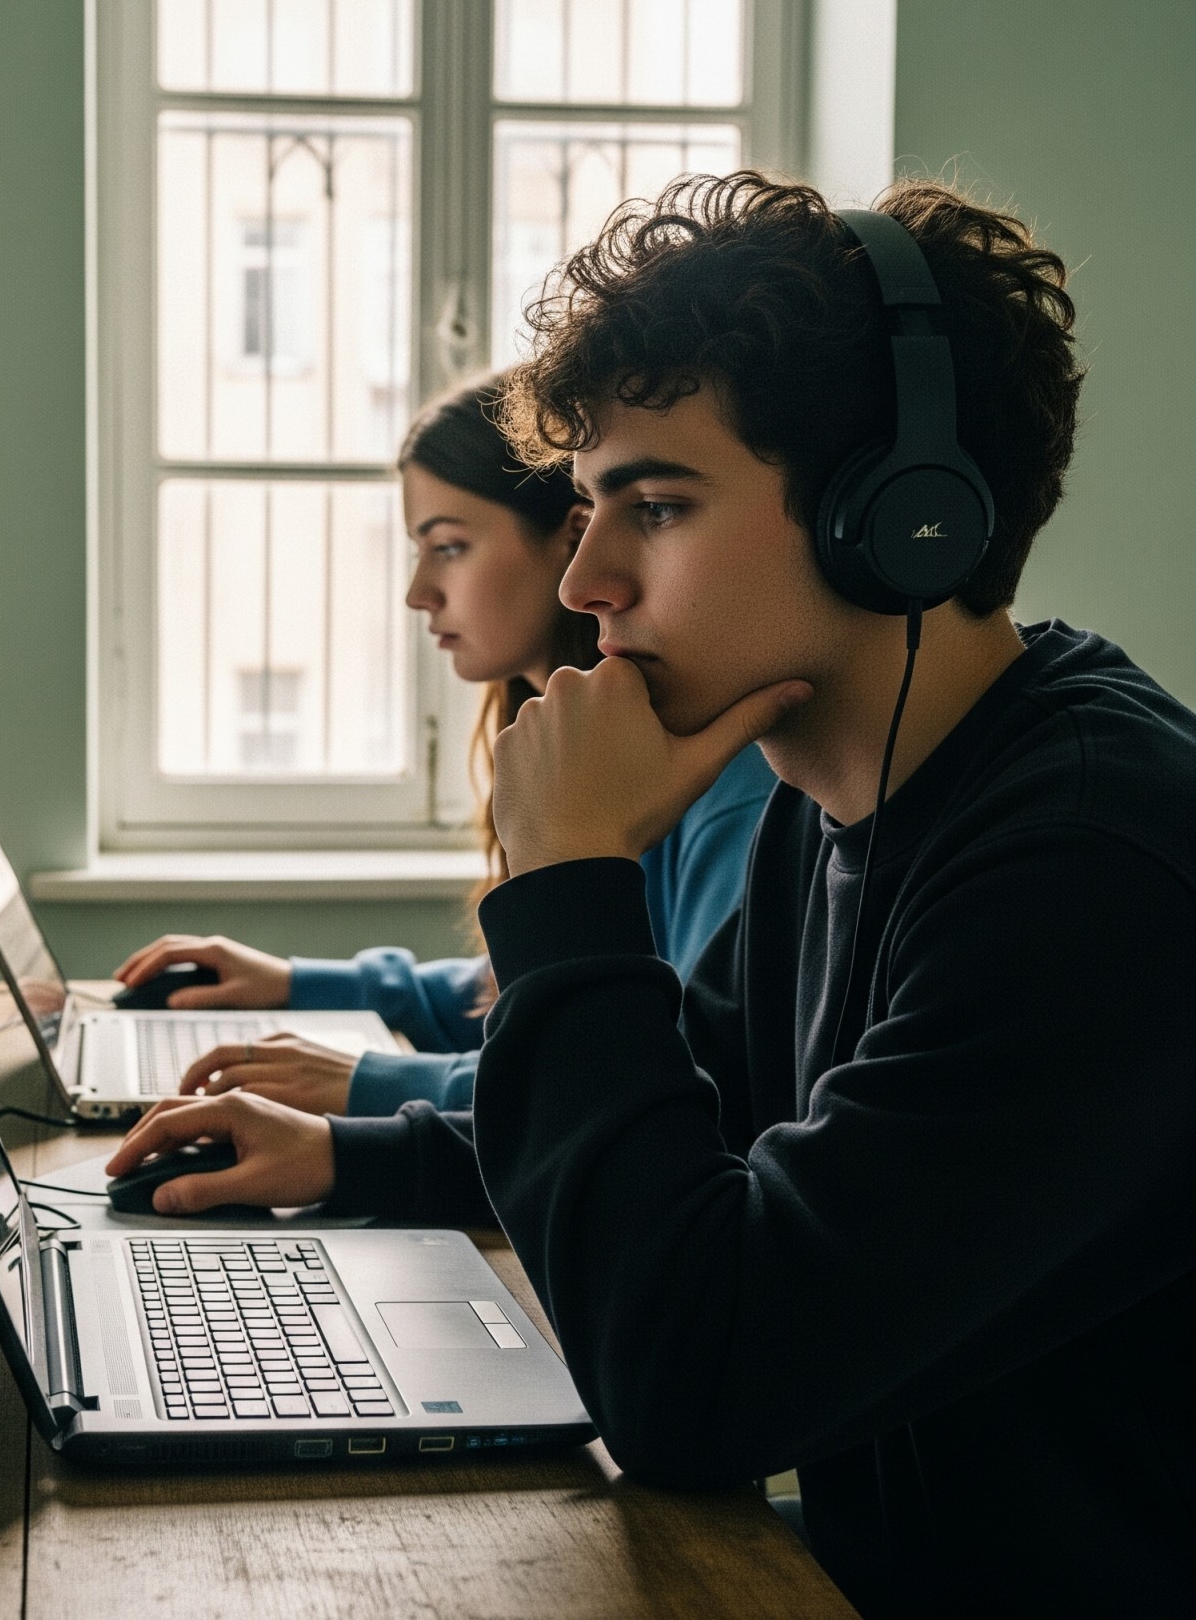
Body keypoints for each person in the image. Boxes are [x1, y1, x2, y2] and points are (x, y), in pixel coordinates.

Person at [108, 173, 1196, 1615]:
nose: (594, 578)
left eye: (656, 506)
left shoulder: (1085, 864)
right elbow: (700, 1112)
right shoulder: (831, 797)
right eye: (582, 511)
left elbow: (692, 1386)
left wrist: (571, 878)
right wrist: (359, 1157)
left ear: (900, 517)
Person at [114, 374, 773, 1118]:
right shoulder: (570, 742)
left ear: (570, 534)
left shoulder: (731, 790)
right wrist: (300, 984)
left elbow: (658, 1076)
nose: (418, 591)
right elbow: (522, 994)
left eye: (450, 546)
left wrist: (371, 1084)